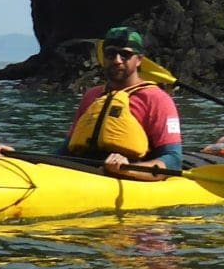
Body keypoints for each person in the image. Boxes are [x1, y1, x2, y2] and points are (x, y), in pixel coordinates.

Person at [65, 26, 182, 179]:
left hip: (130, 177)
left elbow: (173, 160)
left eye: (125, 54)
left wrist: (128, 169)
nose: (117, 60)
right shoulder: (92, 95)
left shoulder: (158, 99)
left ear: (139, 60)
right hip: (86, 170)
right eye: (110, 54)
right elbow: (65, 150)